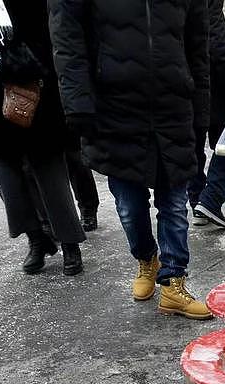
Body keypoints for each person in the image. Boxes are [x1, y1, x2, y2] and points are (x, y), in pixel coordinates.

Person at [48, 0, 213, 319]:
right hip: (116, 109)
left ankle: (173, 281)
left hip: (174, 106)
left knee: (175, 203)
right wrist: (77, 102)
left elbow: (198, 46)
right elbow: (66, 36)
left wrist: (202, 110)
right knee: (129, 206)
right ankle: (146, 257)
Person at [0, 0, 85, 276]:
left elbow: (50, 35)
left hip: (34, 88)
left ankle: (69, 241)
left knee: (49, 170)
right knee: (5, 174)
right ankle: (36, 238)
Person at [189, 0, 225, 230]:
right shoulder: (209, 7)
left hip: (184, 83)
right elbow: (220, 48)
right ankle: (210, 199)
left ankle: (197, 200)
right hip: (213, 84)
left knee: (193, 144)